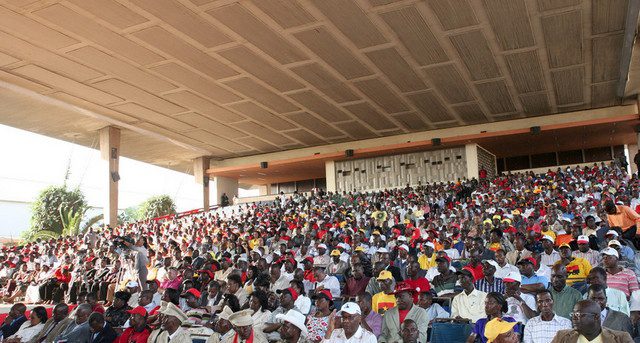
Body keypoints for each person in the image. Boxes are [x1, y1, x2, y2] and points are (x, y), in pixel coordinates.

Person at [551, 300, 633, 343]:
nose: (574, 318)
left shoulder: (621, 338)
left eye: (579, 315)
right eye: (573, 314)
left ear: (596, 317)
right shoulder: (562, 336)